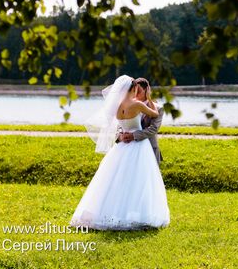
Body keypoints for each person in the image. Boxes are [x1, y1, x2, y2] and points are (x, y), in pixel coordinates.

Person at [69, 75, 170, 230]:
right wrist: (121, 135)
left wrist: (125, 134)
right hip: (137, 148)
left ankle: (118, 213)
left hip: (123, 149)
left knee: (119, 180)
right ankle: (132, 216)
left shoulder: (117, 106)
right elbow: (153, 115)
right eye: (137, 89)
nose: (138, 93)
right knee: (134, 182)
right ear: (134, 88)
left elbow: (151, 128)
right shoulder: (137, 105)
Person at [116, 77, 164, 164]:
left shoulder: (158, 108)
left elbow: (153, 129)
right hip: (127, 149)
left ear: (147, 90)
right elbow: (120, 125)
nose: (136, 93)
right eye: (135, 90)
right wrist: (121, 136)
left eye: (139, 91)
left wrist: (133, 135)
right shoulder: (126, 105)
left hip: (149, 149)